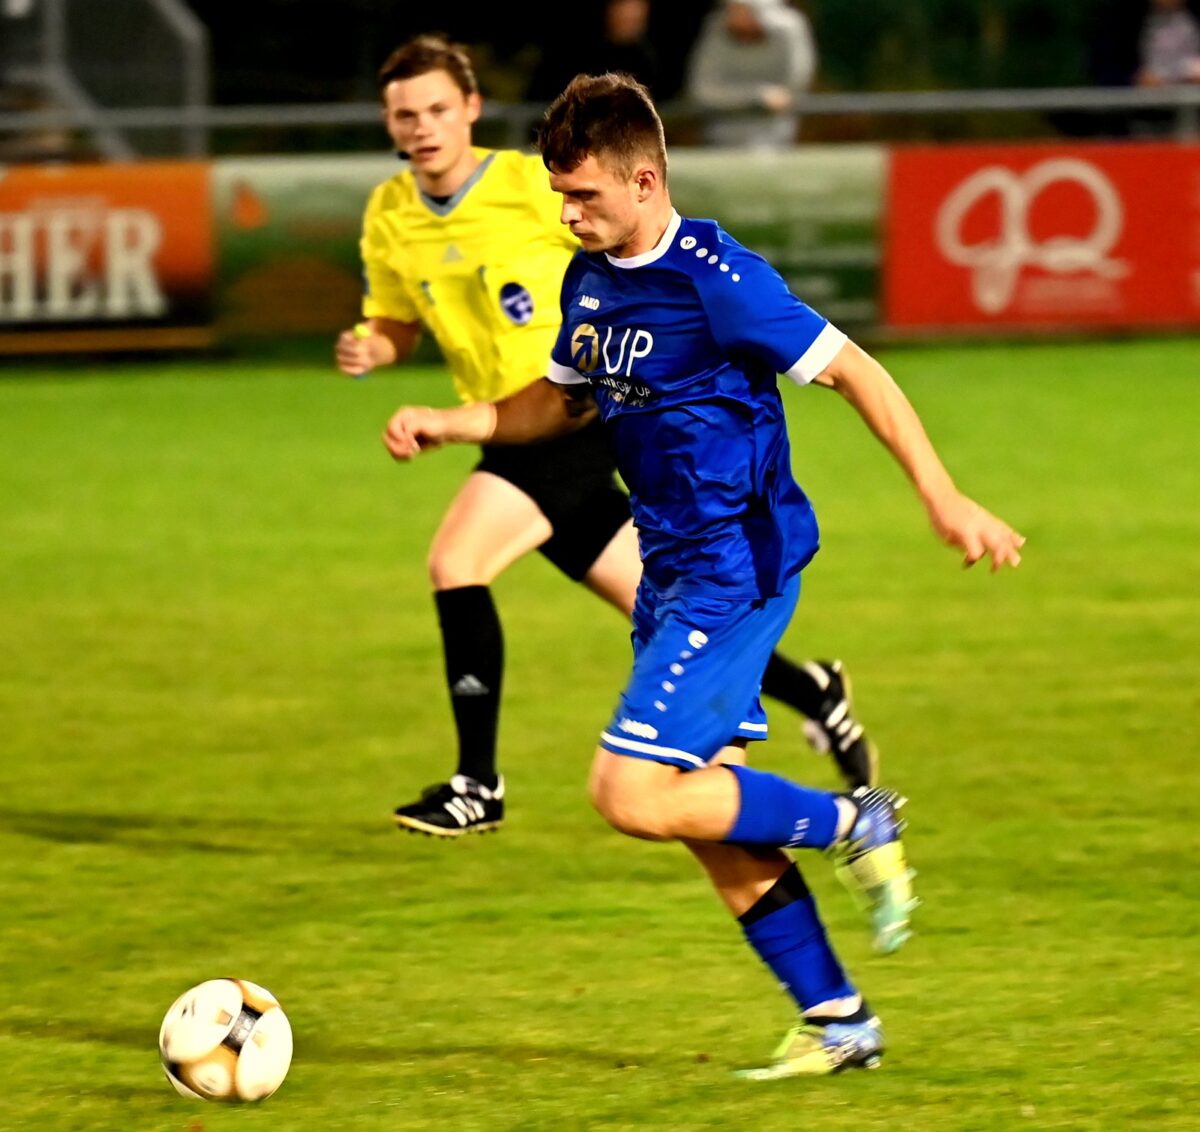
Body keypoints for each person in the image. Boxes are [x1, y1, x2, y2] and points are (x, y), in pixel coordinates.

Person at [381, 73, 1023, 1077]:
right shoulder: (590, 279)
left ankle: (854, 819)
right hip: (670, 566)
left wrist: (944, 498)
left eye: (583, 195)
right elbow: (562, 402)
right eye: (559, 195)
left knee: (629, 791)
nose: (567, 213)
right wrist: (455, 421)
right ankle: (839, 1020)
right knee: (703, 811)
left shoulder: (720, 278)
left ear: (644, 181)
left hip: (736, 565)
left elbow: (855, 369)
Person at [336, 35, 879, 839]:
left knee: (457, 560)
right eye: (403, 115)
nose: (421, 127)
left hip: (579, 413)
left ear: (472, 110)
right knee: (658, 605)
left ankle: (477, 784)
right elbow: (396, 321)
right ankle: (813, 691)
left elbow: (633, 248)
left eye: (437, 109)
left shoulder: (531, 184)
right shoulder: (389, 213)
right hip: (507, 424)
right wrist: (375, 348)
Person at [685, 0, 816, 148]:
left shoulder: (790, 30)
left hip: (775, 130)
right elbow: (703, 91)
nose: (735, 15)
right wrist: (757, 96)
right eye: (732, 9)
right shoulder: (716, 28)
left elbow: (794, 84)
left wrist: (777, 99)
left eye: (743, 9)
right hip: (722, 130)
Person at [1135, 0, 1200, 86]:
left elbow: (1192, 55)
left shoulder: (1189, 22)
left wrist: (1185, 73)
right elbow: (1149, 58)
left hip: (1186, 70)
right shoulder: (1148, 22)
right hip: (1158, 73)